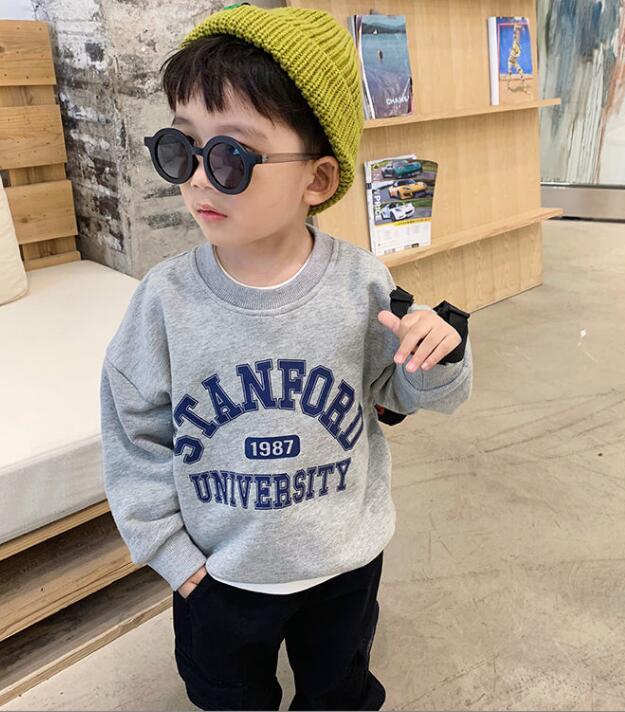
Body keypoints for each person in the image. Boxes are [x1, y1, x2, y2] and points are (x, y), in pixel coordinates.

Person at [99, 4, 474, 710]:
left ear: (318, 180)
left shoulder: (362, 284)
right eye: (182, 148)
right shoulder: (164, 302)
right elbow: (133, 434)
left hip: (344, 562)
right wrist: (174, 558)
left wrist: (435, 351)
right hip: (219, 574)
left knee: (338, 690)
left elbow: (403, 395)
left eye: (231, 157)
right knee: (227, 694)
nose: (198, 179)